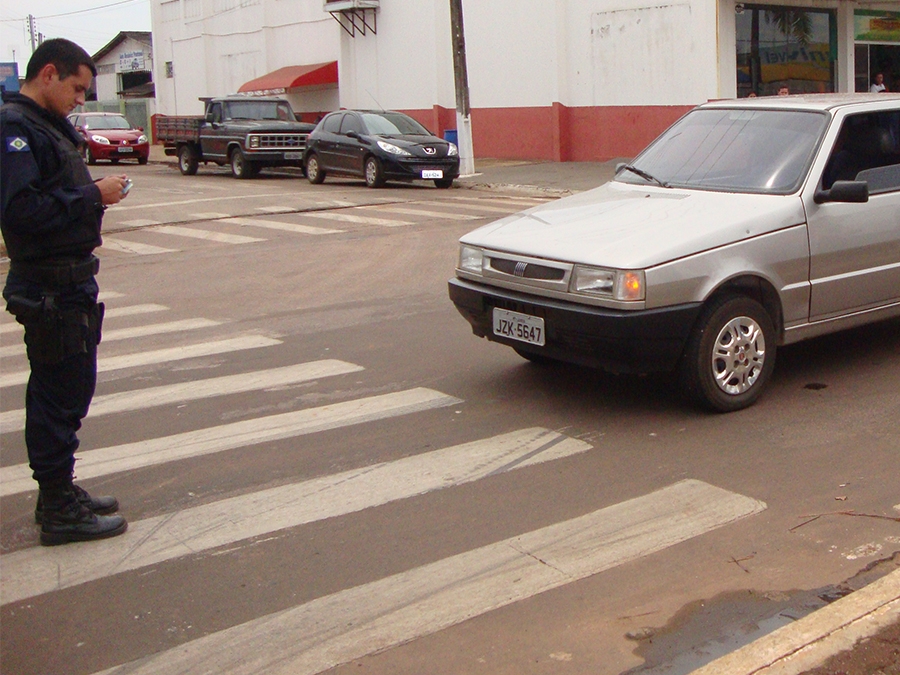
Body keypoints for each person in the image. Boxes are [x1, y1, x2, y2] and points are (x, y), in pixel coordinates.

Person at [1, 39, 129, 545]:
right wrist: (90, 195)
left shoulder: (43, 126)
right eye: (77, 88)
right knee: (57, 396)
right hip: (50, 286)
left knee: (70, 389)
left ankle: (60, 490)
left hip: (69, 282)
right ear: (48, 74)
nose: (81, 99)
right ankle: (57, 508)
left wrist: (88, 193)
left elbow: (49, 194)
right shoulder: (15, 128)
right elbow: (20, 211)